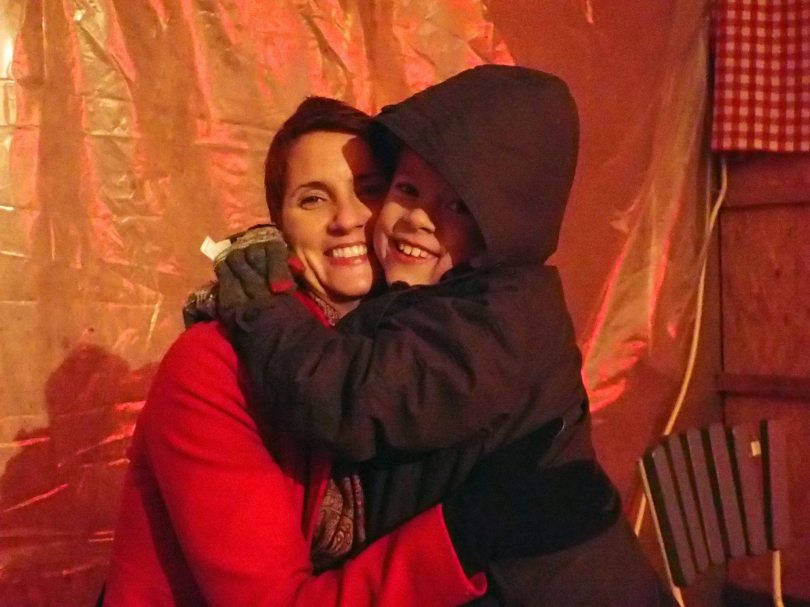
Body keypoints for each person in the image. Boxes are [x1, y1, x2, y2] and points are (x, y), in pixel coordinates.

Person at [214, 66, 676, 606]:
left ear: (504, 229)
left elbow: (354, 401)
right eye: (407, 189)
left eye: (459, 206)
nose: (420, 219)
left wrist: (260, 306)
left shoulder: (502, 319)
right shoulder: (427, 302)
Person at [103, 96, 571, 607]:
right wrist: (461, 538)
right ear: (278, 227)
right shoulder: (212, 366)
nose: (347, 219)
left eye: (370, 189)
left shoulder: (415, 356)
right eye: (313, 199)